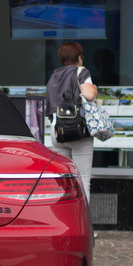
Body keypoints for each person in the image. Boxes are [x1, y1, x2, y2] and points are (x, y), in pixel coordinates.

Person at [46, 41, 98, 204]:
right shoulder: (81, 72)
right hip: (78, 132)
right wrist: (95, 88)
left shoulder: (54, 76)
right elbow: (89, 94)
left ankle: (66, 225)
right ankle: (84, 228)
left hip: (58, 133)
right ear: (79, 58)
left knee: (64, 184)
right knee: (83, 182)